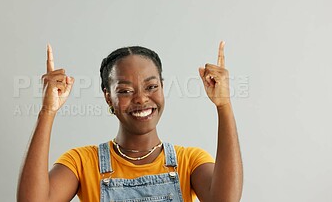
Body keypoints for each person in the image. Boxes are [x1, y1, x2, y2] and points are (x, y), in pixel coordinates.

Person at [17, 42, 243, 202]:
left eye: (152, 86)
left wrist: (224, 105)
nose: (141, 99)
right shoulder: (81, 162)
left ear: (163, 87)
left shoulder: (189, 161)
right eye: (125, 90)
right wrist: (47, 111)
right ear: (108, 96)